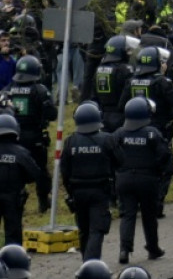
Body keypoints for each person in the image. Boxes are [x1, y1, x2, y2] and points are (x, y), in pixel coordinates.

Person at [119, 46, 173, 217]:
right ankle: (156, 204)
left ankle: (132, 204)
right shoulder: (162, 82)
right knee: (164, 168)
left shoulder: (131, 81)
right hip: (159, 131)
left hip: (133, 130)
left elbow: (121, 104)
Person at [112, 97, 171, 264]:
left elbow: (111, 153)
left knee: (127, 215)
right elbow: (164, 154)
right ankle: (153, 249)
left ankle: (124, 250)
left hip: (124, 179)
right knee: (149, 216)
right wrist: (156, 169)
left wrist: (119, 169)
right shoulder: (152, 133)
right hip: (148, 179)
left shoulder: (119, 134)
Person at [61, 103, 119, 261]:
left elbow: (64, 170)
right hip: (100, 191)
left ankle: (86, 261)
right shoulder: (107, 139)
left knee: (84, 229)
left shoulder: (70, 142)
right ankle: (91, 265)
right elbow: (119, 162)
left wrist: (70, 191)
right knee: (97, 230)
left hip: (78, 192)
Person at [0, 55, 54, 213]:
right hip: (35, 136)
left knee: (15, 170)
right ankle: (43, 201)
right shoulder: (40, 90)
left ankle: (18, 201)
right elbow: (52, 114)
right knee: (41, 170)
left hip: (12, 136)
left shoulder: (7, 90)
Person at [0, 115, 41, 245]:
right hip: (13, 198)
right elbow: (35, 174)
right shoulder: (21, 153)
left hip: (13, 197)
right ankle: (12, 261)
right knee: (13, 234)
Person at [92, 35, 139, 132]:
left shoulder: (99, 69)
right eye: (127, 50)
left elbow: (93, 95)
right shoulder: (125, 69)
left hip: (103, 115)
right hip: (121, 116)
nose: (129, 53)